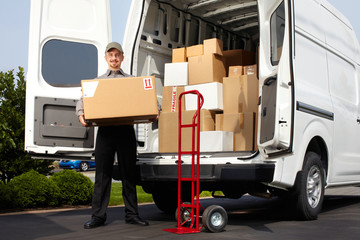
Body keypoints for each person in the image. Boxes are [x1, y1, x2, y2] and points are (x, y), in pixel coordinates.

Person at [76, 42, 149, 229]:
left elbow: (146, 97)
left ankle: (132, 214)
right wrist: (80, 113)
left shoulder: (132, 80)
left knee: (128, 174)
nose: (114, 58)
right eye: (111, 55)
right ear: (106, 58)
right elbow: (83, 99)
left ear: (122, 58)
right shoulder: (97, 81)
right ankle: (98, 217)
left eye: (117, 55)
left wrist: (154, 110)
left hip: (125, 130)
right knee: (102, 175)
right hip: (105, 132)